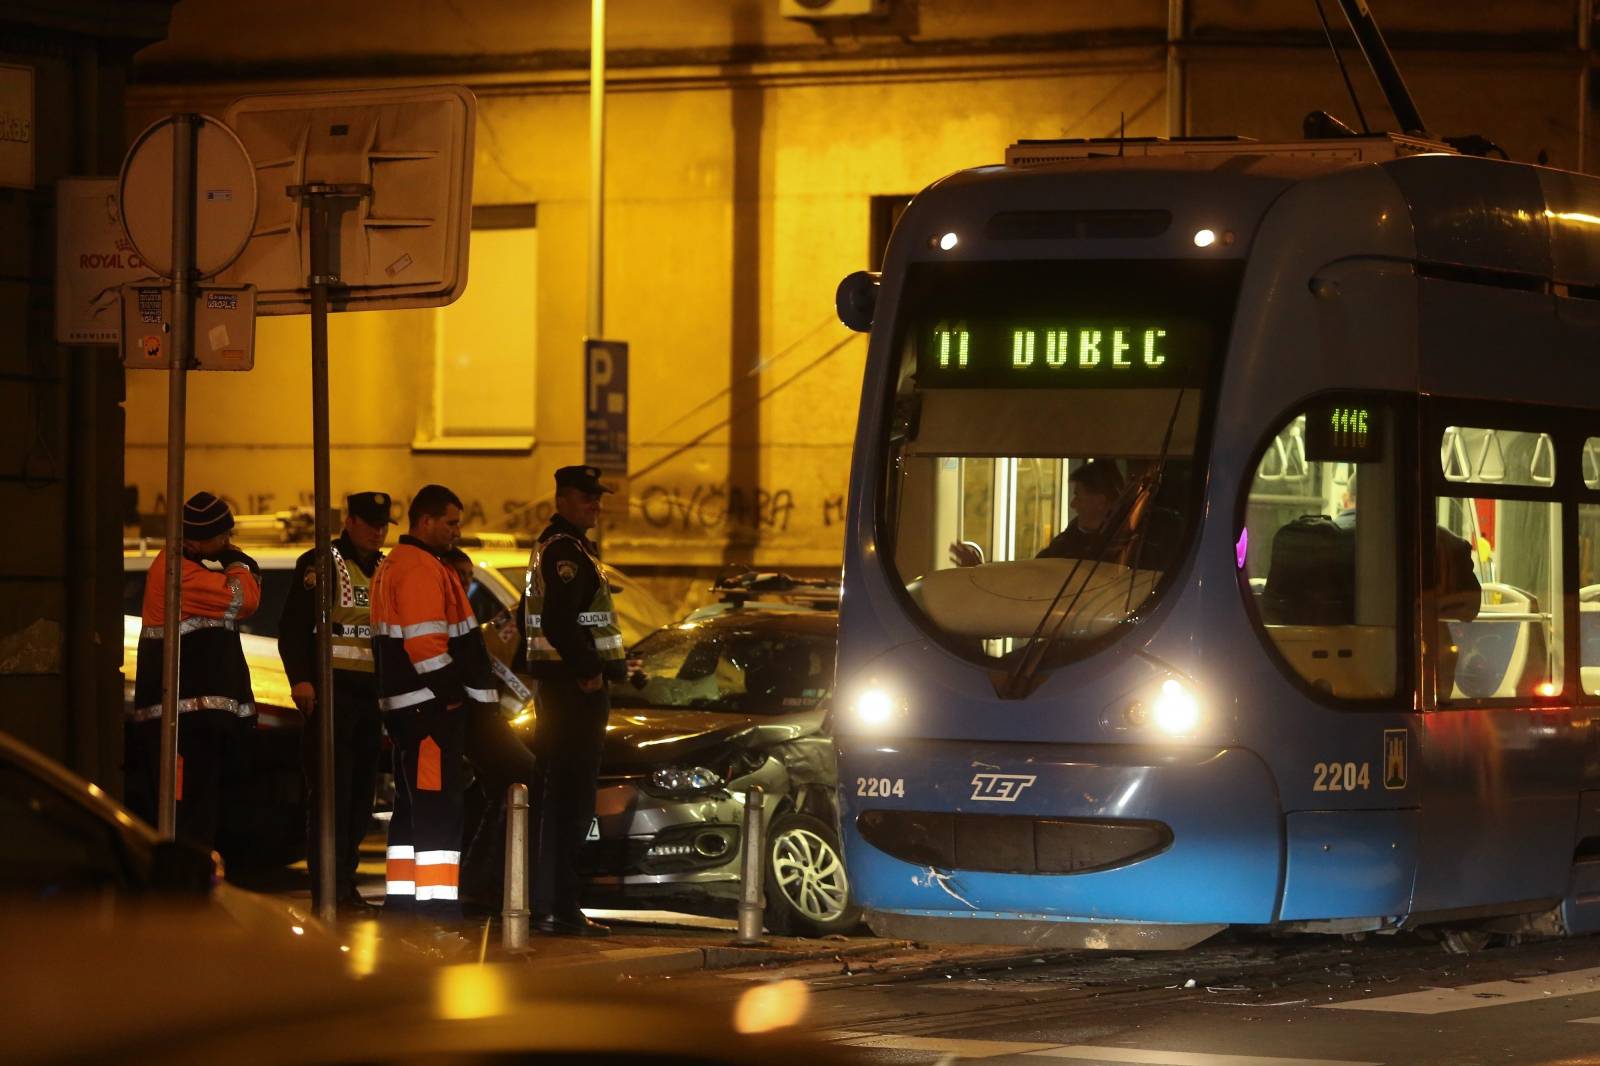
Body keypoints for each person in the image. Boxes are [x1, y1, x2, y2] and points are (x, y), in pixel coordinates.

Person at [369, 484, 499, 921]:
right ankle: (438, 909)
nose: (456, 532)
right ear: (425, 521)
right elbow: (426, 646)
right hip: (428, 708)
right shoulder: (421, 568)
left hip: (410, 708)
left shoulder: (397, 564)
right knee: (438, 811)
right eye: (450, 522)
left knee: (412, 807)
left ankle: (403, 901)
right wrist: (453, 699)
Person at [523, 465, 630, 937]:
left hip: (568, 692)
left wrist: (616, 666)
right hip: (572, 694)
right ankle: (558, 909)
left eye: (597, 498)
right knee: (569, 803)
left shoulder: (571, 548)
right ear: (563, 500)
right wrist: (589, 672)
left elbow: (587, 621)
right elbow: (561, 623)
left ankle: (556, 905)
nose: (596, 506)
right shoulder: (564, 552)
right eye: (587, 498)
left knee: (566, 800)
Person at [277, 490, 392, 914]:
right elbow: (292, 627)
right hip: (333, 697)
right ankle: (327, 888)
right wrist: (302, 681)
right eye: (371, 523)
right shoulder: (323, 563)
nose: (378, 532)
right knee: (331, 798)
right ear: (350, 520)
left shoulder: (383, 567)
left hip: (369, 701)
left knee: (360, 800)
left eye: (383, 525)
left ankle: (346, 885)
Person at [126, 492, 261, 851]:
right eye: (222, 537)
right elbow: (242, 599)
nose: (227, 543)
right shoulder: (179, 573)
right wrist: (239, 563)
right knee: (187, 826)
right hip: (181, 724)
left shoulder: (185, 567)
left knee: (197, 819)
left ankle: (189, 895)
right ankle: (182, 901)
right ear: (199, 538)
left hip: (188, 722)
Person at [440, 545, 539, 913]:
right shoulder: (448, 616)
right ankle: (483, 883)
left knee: (492, 794)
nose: (464, 584)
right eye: (458, 576)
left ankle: (479, 882)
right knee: (524, 779)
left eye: (468, 578)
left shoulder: (462, 615)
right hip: (469, 721)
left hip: (485, 721)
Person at [948, 459, 1127, 567]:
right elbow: (1034, 572)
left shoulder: (1125, 547)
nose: (1073, 504)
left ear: (1100, 501)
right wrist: (983, 571)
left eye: (1078, 496)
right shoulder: (1069, 541)